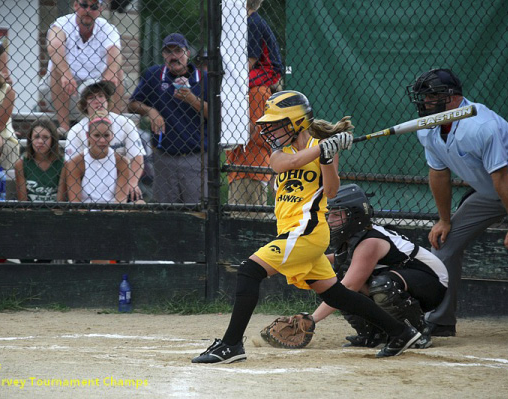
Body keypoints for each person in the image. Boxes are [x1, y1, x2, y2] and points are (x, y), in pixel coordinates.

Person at [192, 91, 421, 364]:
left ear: (297, 122)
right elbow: (285, 165)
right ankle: (400, 331)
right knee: (336, 294)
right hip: (291, 231)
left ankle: (230, 345)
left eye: (277, 124)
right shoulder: (280, 152)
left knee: (249, 271)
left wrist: (326, 157)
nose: (271, 130)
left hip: (307, 231)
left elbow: (332, 189)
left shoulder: (322, 147)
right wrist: (322, 149)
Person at [408, 68, 508, 337]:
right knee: (444, 245)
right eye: (423, 97)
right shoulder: (428, 128)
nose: (425, 103)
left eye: (431, 96)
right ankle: (440, 321)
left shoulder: (480, 125)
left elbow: (503, 176)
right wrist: (444, 220)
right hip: (491, 191)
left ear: (452, 98)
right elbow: (438, 173)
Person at [294, 184, 448, 349]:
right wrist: (307, 259)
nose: (330, 220)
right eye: (329, 214)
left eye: (336, 215)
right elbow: (342, 261)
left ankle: (416, 332)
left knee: (373, 286)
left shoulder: (370, 241)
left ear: (356, 214)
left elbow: (348, 287)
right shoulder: (354, 237)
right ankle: (373, 333)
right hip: (407, 280)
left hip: (432, 284)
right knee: (336, 280)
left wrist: (312, 319)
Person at [128, 33, 208, 203]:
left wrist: (192, 100)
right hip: (164, 156)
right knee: (165, 212)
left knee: (197, 209)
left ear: (187, 53)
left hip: (195, 156)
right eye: (168, 52)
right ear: (163, 55)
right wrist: (151, 111)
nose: (174, 56)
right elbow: (133, 103)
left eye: (178, 51)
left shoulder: (204, 79)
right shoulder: (154, 75)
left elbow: (218, 115)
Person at [225, 0, 283, 215]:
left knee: (232, 83)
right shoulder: (241, 23)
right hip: (242, 165)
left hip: (267, 70)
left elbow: (249, 61)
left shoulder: (251, 22)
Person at [45, 0, 124, 133]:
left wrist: (110, 72)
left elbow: (115, 51)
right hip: (66, 86)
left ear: (100, 8)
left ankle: (113, 125)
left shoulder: (107, 28)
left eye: (93, 6)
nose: (88, 10)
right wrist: (66, 74)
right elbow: (54, 46)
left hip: (96, 86)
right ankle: (64, 127)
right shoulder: (62, 24)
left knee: (118, 71)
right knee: (55, 69)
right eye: (84, 5)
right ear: (76, 5)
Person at [65, 79, 145, 202]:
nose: (98, 100)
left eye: (101, 96)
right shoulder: (76, 131)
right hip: (88, 191)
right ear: (84, 103)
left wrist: (132, 182)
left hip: (122, 184)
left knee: (140, 204)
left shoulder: (125, 123)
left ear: (107, 99)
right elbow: (72, 167)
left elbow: (137, 157)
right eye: (91, 97)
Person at [65, 117, 130, 203]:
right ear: (88, 136)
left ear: (112, 135)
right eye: (97, 135)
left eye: (106, 135)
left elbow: (121, 200)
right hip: (85, 211)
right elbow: (75, 201)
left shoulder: (122, 162)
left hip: (112, 211)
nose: (102, 140)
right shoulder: (76, 162)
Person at [14, 118, 65, 202]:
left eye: (45, 137)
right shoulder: (21, 164)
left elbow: (59, 204)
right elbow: (23, 204)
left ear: (53, 139)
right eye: (36, 137)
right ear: (30, 139)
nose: (40, 141)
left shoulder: (62, 164)